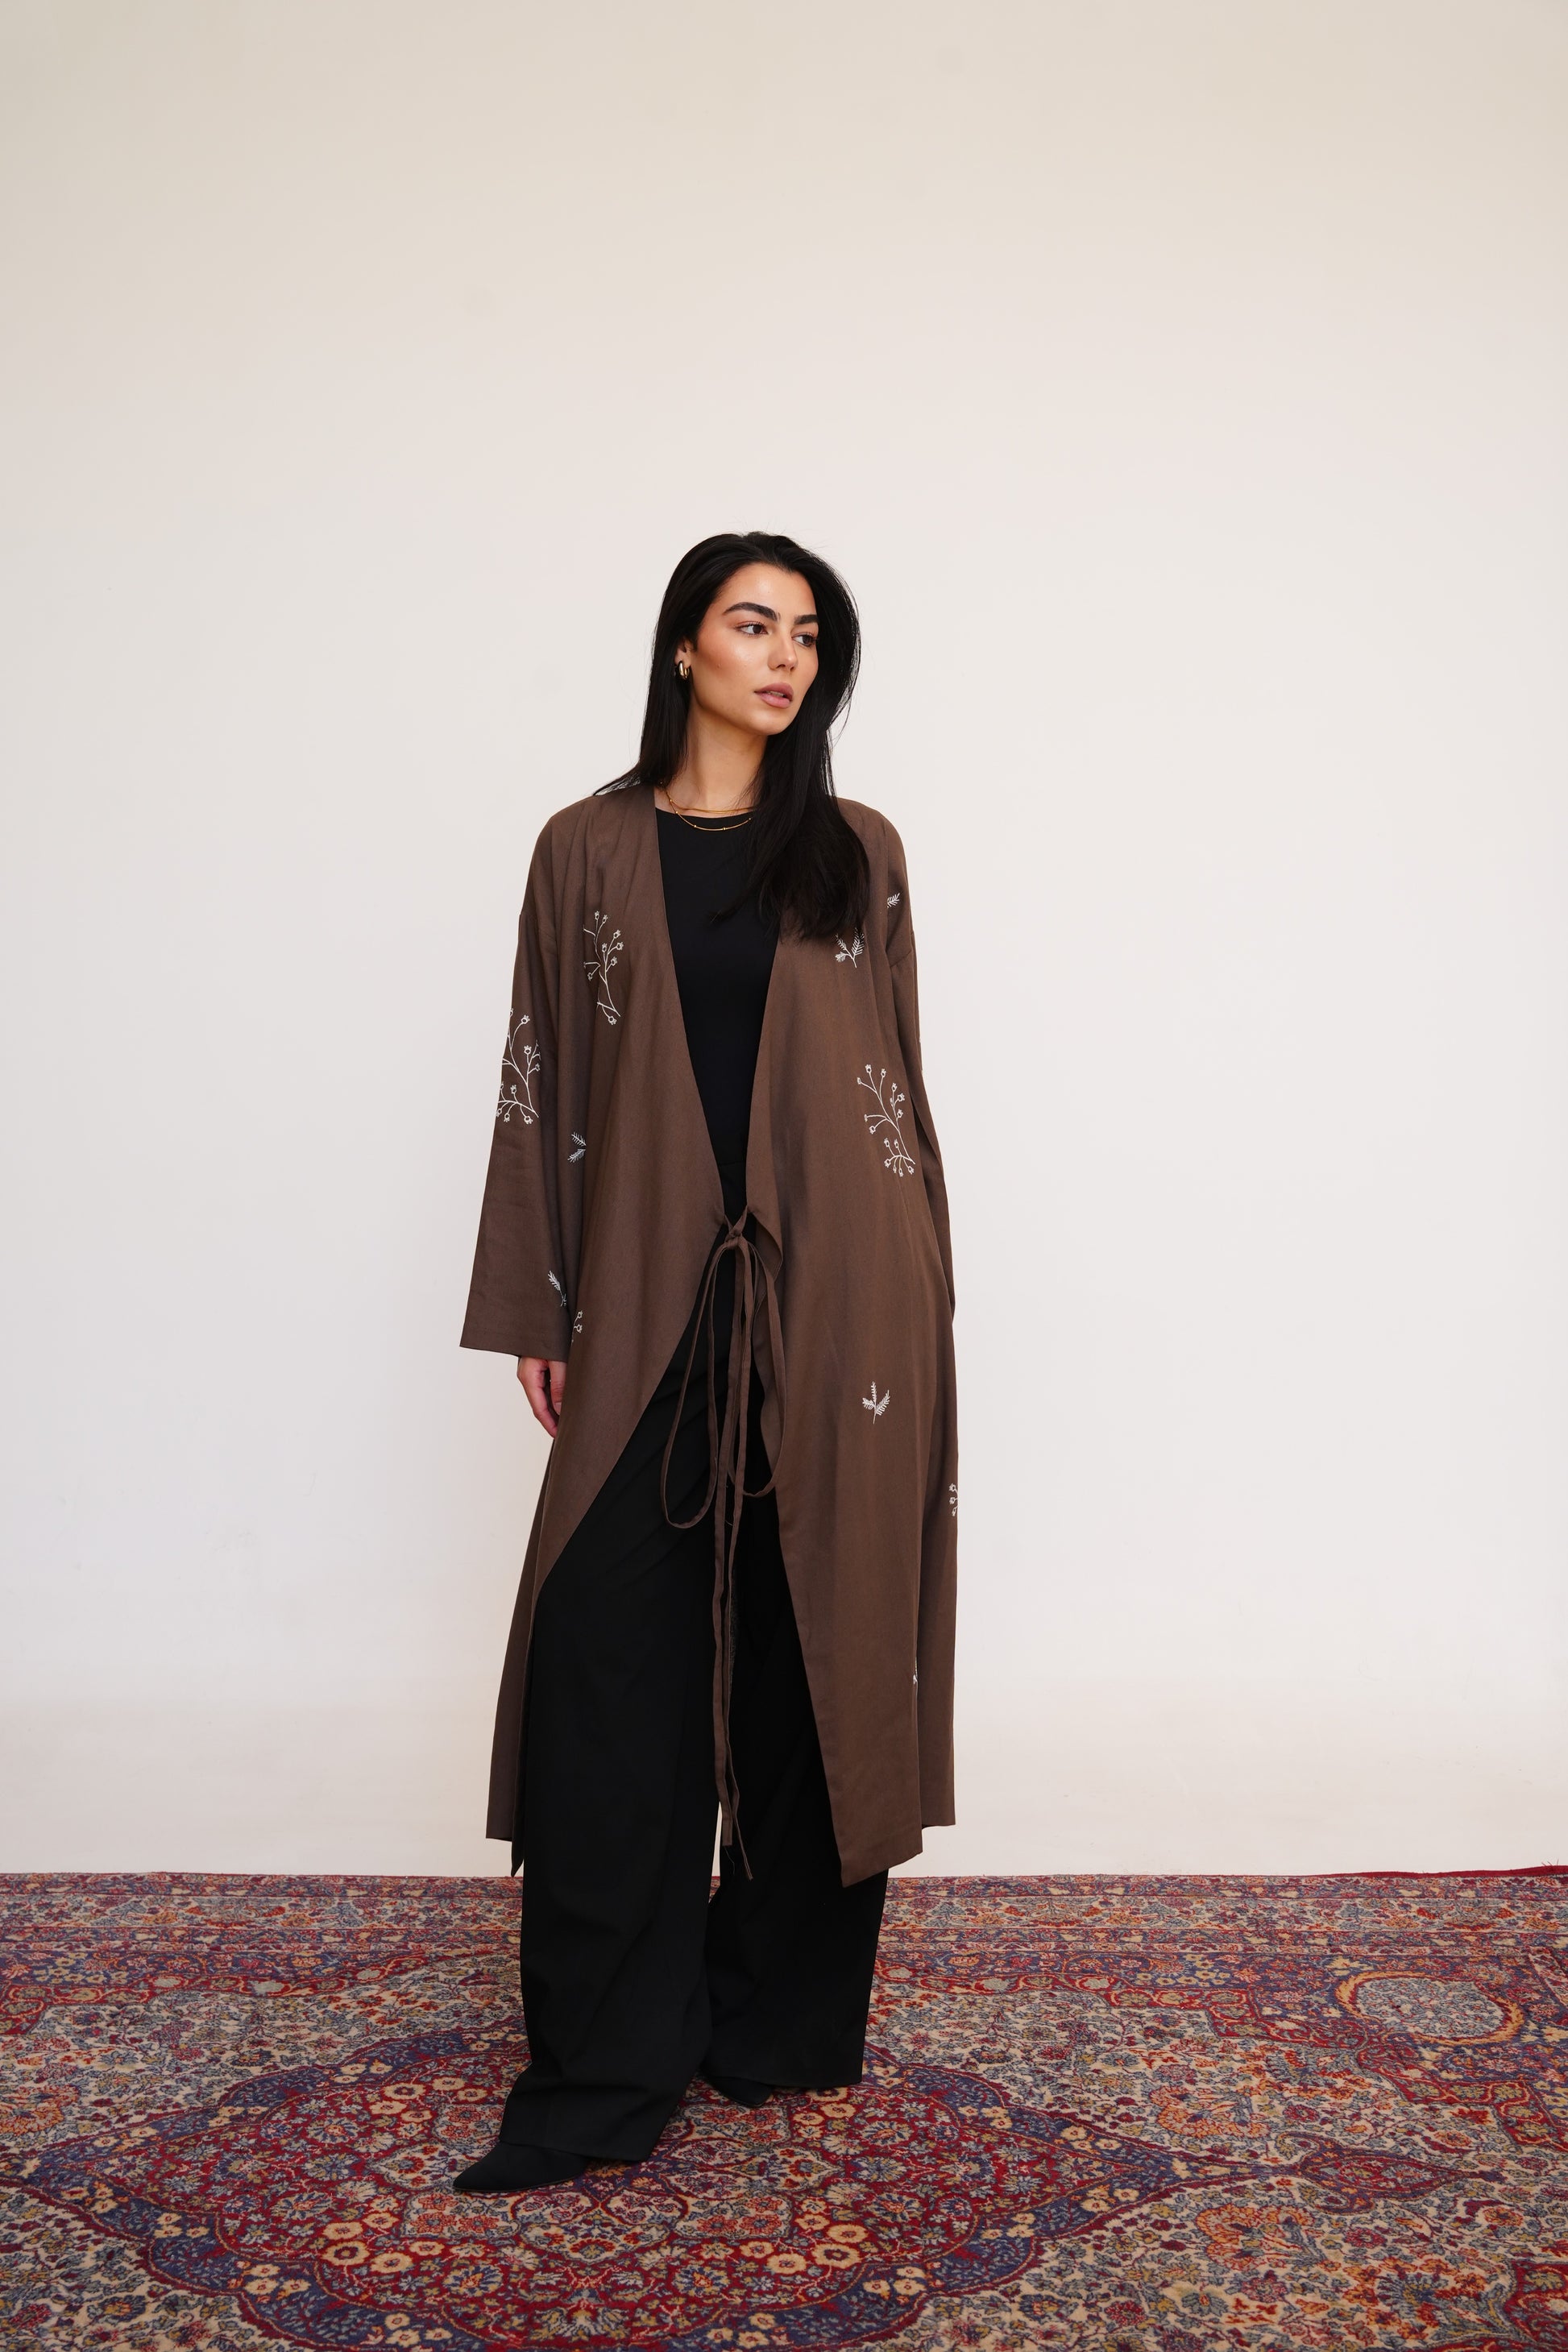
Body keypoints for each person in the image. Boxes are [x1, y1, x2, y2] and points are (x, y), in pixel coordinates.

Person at [454, 530, 957, 2192]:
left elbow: (895, 1089)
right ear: (683, 646)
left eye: (809, 634)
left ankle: (777, 2021)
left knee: (818, 1653)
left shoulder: (857, 851)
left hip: (849, 1304)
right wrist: (542, 1303)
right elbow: (541, 1067)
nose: (785, 656)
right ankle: (612, 2047)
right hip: (651, 1295)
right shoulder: (585, 847)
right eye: (753, 624)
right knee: (610, 1661)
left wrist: (925, 1293)